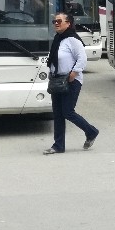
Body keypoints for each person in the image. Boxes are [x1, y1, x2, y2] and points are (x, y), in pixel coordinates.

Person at [43, 12, 99, 155]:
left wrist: (74, 73)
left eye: (59, 21)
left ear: (68, 23)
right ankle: (58, 145)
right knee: (58, 114)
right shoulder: (58, 39)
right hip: (57, 80)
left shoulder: (72, 40)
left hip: (71, 81)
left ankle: (91, 131)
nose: (56, 23)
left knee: (68, 112)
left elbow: (82, 58)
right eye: (54, 21)